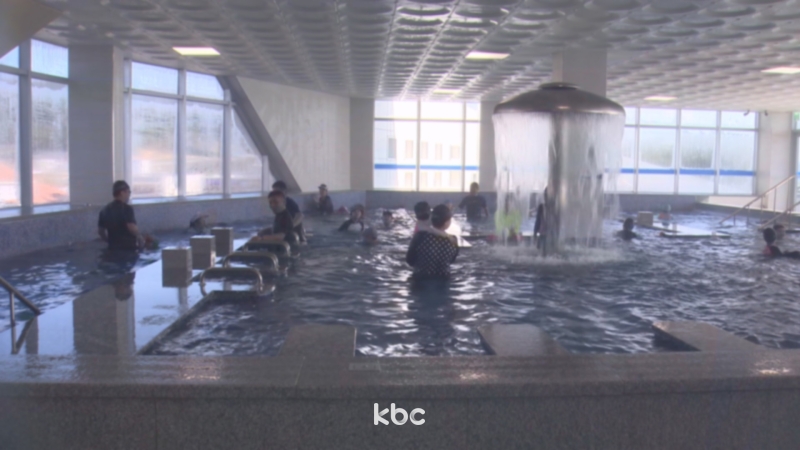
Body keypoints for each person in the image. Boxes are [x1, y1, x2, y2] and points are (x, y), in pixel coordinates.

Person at [406, 204, 460, 278]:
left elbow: (410, 260)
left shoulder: (420, 236)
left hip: (420, 279)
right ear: (447, 222)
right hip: (444, 279)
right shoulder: (453, 240)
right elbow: (451, 261)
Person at [98, 180, 144, 251]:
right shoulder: (127, 208)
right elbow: (131, 227)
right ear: (122, 192)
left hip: (112, 248)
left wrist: (108, 241)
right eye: (128, 192)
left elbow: (100, 231)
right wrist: (140, 237)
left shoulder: (104, 210)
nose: (129, 195)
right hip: (128, 248)